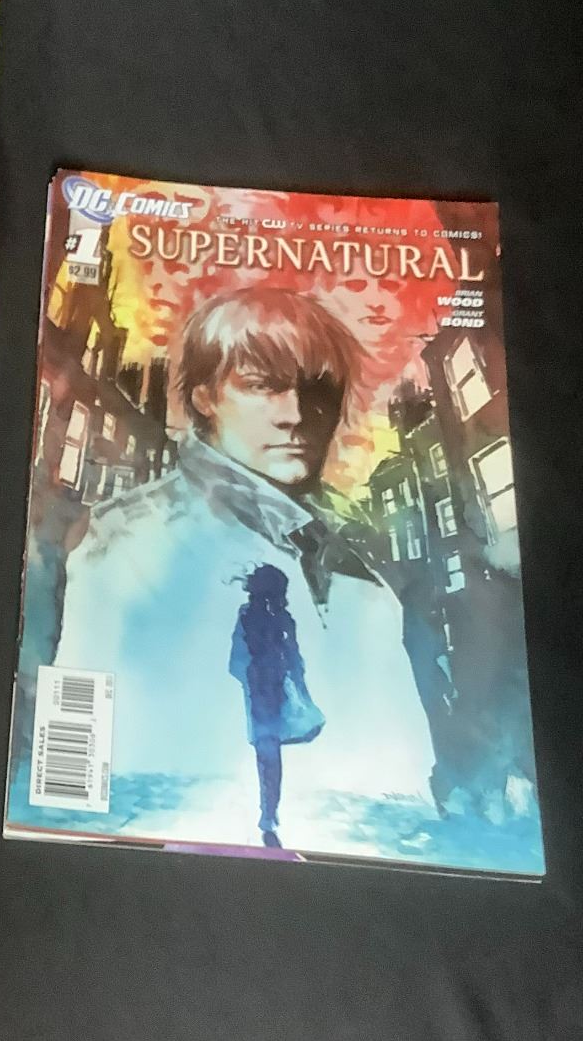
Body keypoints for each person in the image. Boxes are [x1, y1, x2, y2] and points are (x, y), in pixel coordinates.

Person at [54, 286, 436, 844]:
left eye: (319, 391)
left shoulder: (358, 573)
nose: (296, 416)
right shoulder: (123, 538)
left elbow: (402, 780)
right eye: (262, 386)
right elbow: (84, 782)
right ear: (205, 398)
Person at [227, 564, 325, 847]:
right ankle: (269, 815)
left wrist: (257, 680)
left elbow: (239, 661)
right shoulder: (267, 618)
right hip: (267, 693)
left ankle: (269, 815)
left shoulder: (261, 618)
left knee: (268, 754)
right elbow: (292, 660)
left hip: (268, 693)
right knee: (270, 755)